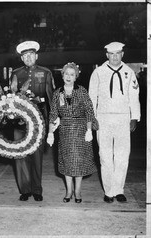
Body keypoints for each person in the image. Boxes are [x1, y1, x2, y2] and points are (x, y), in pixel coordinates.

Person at [88, 42, 140, 203]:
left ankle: (119, 190)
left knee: (122, 156)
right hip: (103, 118)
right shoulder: (98, 72)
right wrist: (92, 118)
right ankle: (109, 191)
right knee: (105, 156)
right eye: (112, 54)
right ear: (107, 55)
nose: (115, 56)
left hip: (123, 118)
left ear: (122, 54)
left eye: (118, 53)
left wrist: (134, 117)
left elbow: (134, 96)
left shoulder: (129, 72)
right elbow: (92, 97)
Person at [10, 41, 54, 201]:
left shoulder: (46, 72)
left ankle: (37, 190)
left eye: (31, 54)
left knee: (36, 156)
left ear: (36, 56)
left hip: (39, 121)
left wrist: (50, 123)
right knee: (21, 155)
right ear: (22, 58)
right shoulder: (15, 73)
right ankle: (25, 190)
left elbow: (50, 99)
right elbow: (12, 98)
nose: (28, 57)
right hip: (20, 122)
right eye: (25, 55)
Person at [48, 62, 98, 203]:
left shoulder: (82, 91)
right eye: (66, 74)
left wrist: (89, 130)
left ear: (76, 77)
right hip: (64, 131)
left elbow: (89, 111)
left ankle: (78, 191)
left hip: (81, 129)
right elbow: (53, 114)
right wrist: (50, 133)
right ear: (62, 75)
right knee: (67, 162)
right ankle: (69, 191)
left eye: (72, 74)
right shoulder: (57, 93)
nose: (69, 77)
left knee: (79, 162)